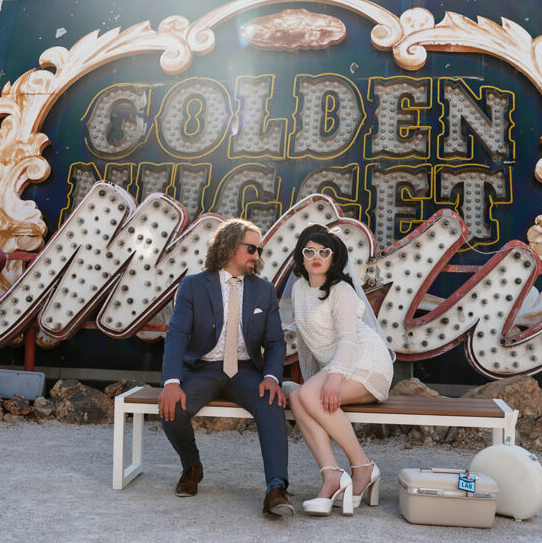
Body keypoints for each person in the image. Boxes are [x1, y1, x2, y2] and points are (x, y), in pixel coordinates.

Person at [158, 218, 293, 517]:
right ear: (231, 247)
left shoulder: (264, 290)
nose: (257, 256)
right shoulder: (194, 285)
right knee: (172, 409)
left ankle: (276, 489)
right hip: (203, 368)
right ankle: (192, 465)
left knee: (271, 403)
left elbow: (275, 342)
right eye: (252, 248)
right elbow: (177, 335)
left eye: (259, 250)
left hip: (246, 370)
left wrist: (271, 377)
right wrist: (171, 382)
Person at [283, 224, 394, 516]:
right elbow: (307, 343)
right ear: (301, 257)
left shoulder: (341, 290)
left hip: (366, 361)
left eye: (324, 251)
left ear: (334, 258)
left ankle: (363, 467)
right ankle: (331, 474)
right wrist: (314, 384)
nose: (316, 256)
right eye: (309, 251)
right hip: (337, 366)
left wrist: (333, 380)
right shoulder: (299, 289)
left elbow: (348, 340)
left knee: (307, 396)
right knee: (298, 397)